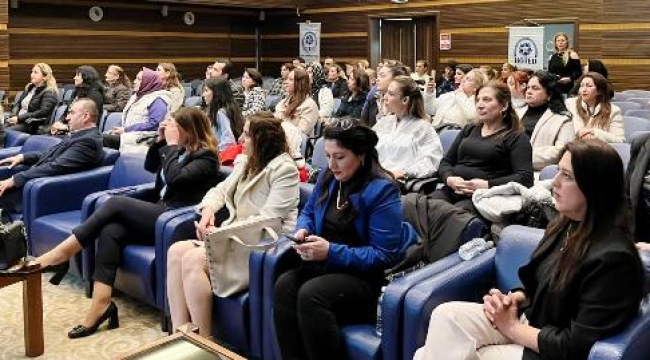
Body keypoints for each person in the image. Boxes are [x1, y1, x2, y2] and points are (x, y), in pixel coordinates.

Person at [414, 139, 645, 360]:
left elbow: (575, 346)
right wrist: (515, 299)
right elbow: (538, 285)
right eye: (558, 171)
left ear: (594, 187)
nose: (554, 182)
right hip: (532, 322)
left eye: (567, 176)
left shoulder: (614, 259)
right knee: (445, 317)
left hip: (552, 349)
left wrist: (512, 328)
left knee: (444, 355)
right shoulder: (565, 224)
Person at [20, 107, 220, 339]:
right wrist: (160, 140)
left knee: (115, 204)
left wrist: (172, 146)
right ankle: (101, 304)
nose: (171, 129)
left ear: (190, 129)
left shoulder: (207, 157)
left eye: (175, 126)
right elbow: (151, 166)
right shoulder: (179, 151)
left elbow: (176, 178)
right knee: (111, 230)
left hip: (175, 218)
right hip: (159, 213)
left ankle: (62, 254)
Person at [273, 118, 417, 360]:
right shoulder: (329, 177)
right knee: (284, 285)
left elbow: (384, 254)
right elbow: (308, 212)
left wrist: (330, 251)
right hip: (327, 265)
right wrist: (303, 230)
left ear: (361, 155)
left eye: (339, 157)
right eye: (328, 156)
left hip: (365, 277)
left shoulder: (382, 189)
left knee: (312, 294)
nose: (331, 164)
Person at [167, 113, 300, 337]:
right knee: (176, 251)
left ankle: (204, 344)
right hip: (235, 238)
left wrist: (220, 233)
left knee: (192, 259)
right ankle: (179, 334)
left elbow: (269, 220)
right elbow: (219, 190)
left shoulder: (285, 170)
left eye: (247, 134)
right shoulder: (247, 162)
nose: (240, 138)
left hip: (260, 246)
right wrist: (208, 210)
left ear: (263, 139)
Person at [432, 82, 534, 212]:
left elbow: (525, 178)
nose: (480, 105)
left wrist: (487, 185)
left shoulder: (516, 137)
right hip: (452, 190)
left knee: (450, 217)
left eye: (487, 100)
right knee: (418, 208)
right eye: (478, 100)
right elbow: (446, 162)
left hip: (484, 198)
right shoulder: (469, 129)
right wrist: (449, 178)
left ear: (504, 105)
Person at [0, 99, 104, 213]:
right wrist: (22, 157)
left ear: (85, 116)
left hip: (44, 191)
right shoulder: (80, 135)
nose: (67, 118)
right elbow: (50, 153)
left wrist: (14, 180)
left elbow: (56, 167)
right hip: (34, 182)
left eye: (72, 113)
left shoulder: (88, 142)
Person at [373, 76, 443, 180]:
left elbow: (430, 161)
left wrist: (404, 172)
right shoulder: (384, 122)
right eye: (386, 93)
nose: (385, 97)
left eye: (391, 94)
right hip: (374, 175)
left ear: (405, 100)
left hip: (398, 180)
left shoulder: (423, 128)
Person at [517, 71, 575, 170]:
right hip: (508, 169)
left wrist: (518, 157)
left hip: (541, 173)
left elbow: (560, 152)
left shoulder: (564, 119)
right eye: (528, 87)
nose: (529, 91)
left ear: (549, 94)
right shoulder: (516, 113)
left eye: (535, 88)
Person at [103, 67, 171, 149]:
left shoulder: (158, 100)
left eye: (138, 79)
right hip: (128, 134)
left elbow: (155, 124)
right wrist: (118, 129)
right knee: (95, 137)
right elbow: (126, 117)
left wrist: (126, 130)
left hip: (142, 139)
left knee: (100, 140)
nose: (134, 81)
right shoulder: (136, 96)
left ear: (148, 82)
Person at [565, 72, 624, 143]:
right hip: (574, 148)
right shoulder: (569, 104)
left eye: (589, 86)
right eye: (581, 86)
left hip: (599, 151)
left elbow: (620, 141)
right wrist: (578, 134)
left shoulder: (614, 111)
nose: (583, 90)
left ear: (599, 91)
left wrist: (594, 132)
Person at [6, 63, 59, 135]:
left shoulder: (50, 92)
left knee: (4, 132)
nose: (32, 75)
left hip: (30, 124)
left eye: (35, 72)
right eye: (32, 72)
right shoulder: (29, 88)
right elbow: (18, 104)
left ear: (45, 77)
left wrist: (19, 118)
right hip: (18, 120)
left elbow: (42, 112)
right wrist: (13, 116)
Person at [50, 66, 105, 135]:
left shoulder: (95, 95)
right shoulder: (76, 92)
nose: (74, 78)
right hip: (69, 130)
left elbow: (89, 121)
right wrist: (59, 123)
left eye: (77, 75)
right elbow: (67, 112)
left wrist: (67, 127)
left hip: (83, 133)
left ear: (86, 77)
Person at [361, 61, 408, 127]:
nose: (377, 79)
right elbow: (364, 123)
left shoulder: (404, 101)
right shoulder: (373, 96)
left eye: (382, 76)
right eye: (378, 75)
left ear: (396, 79)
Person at [274, 68, 319, 137]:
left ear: (300, 83)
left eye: (291, 80)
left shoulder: (309, 105)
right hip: (279, 139)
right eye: (287, 79)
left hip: (296, 144)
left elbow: (301, 133)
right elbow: (274, 122)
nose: (286, 82)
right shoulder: (284, 102)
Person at [202, 76, 243, 152]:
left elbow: (229, 142)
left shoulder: (221, 113)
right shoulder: (228, 108)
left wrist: (210, 151)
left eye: (206, 90)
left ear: (217, 93)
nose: (203, 95)